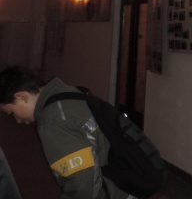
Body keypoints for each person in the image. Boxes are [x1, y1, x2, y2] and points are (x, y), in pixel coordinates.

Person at [0, 66, 135, 199]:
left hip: (111, 192)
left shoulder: (53, 123)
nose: (17, 120)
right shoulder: (67, 93)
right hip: (124, 181)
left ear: (22, 97)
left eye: (12, 113)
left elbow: (83, 183)